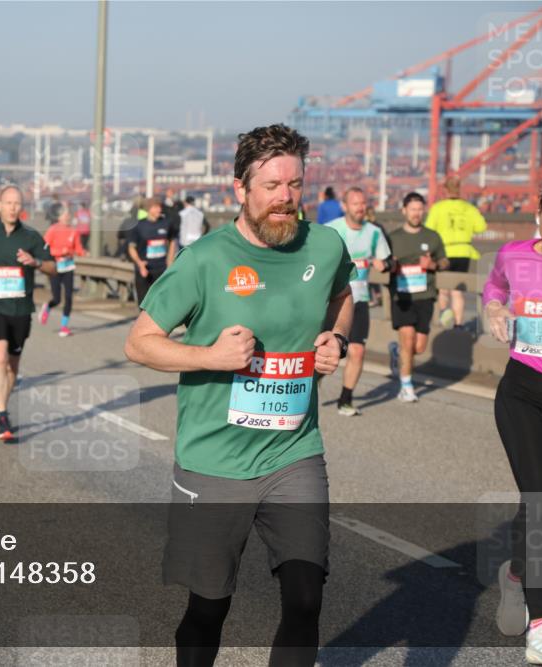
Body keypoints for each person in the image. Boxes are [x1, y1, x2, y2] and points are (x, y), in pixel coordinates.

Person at [123, 123, 352, 667]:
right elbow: (139, 344)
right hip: (214, 461)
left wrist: (336, 337)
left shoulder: (324, 243)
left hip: (293, 453)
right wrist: (209, 356)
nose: (285, 198)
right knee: (209, 607)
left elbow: (344, 295)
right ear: (240, 189)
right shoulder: (205, 259)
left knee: (305, 599)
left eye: (295, 185)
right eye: (272, 186)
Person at [483, 187, 542, 664]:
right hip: (522, 392)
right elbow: (494, 288)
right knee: (540, 498)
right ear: (540, 215)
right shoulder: (513, 255)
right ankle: (541, 622)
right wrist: (495, 310)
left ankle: (516, 575)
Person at [0, 184, 56, 440]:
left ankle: (0, 406)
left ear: (22, 207)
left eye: (17, 204)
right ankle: (1, 414)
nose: (12, 208)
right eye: (8, 203)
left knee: (12, 365)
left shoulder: (31, 236)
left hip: (20, 307)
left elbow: (53, 267)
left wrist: (36, 262)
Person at [325, 187, 391, 416]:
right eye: (355, 203)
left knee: (357, 352)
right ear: (344, 206)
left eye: (363, 203)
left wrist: (384, 265)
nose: (360, 208)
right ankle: (309, 391)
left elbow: (386, 260)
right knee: (324, 353)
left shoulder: (374, 232)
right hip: (332, 300)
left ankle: (345, 399)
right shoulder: (332, 229)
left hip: (360, 299)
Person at [386, 192, 448, 402]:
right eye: (412, 209)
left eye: (420, 209)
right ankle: (406, 386)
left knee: (418, 347)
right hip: (401, 297)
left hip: (425, 295)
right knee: (407, 339)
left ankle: (397, 353)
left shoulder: (432, 237)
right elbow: (384, 263)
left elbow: (444, 262)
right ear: (404, 211)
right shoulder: (393, 238)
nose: (416, 213)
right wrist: (391, 264)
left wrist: (433, 265)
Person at [426, 175, 487, 329]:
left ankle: (444, 316)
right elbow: (481, 227)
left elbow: (428, 230)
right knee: (458, 290)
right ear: (459, 189)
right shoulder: (469, 208)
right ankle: (458, 324)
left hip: (443, 252)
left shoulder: (438, 208)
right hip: (463, 251)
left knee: (443, 288)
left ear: (445, 190)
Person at [40, 203, 87, 337]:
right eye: (66, 215)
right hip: (55, 268)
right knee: (57, 298)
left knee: (68, 297)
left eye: (69, 215)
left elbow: (78, 248)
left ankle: (64, 326)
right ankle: (48, 307)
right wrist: (61, 251)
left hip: (68, 267)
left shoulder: (74, 231)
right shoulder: (53, 230)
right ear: (59, 217)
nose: (68, 217)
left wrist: (83, 252)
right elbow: (44, 248)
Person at [128, 197, 176, 306]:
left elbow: (172, 240)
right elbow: (131, 248)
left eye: (160, 207)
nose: (159, 210)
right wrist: (140, 264)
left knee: (160, 303)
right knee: (144, 304)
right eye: (156, 207)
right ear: (149, 209)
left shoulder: (166, 223)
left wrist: (170, 260)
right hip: (144, 269)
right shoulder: (139, 226)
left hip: (161, 268)